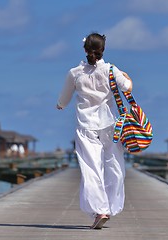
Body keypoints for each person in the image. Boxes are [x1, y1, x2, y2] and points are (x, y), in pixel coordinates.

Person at [56, 33, 133, 229]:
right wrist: (128, 78)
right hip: (110, 126)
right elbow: (127, 88)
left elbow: (63, 100)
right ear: (103, 49)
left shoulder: (75, 73)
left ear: (85, 50)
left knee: (91, 169)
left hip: (86, 126)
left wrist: (60, 105)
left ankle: (101, 209)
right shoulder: (111, 70)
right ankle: (111, 205)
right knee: (114, 166)